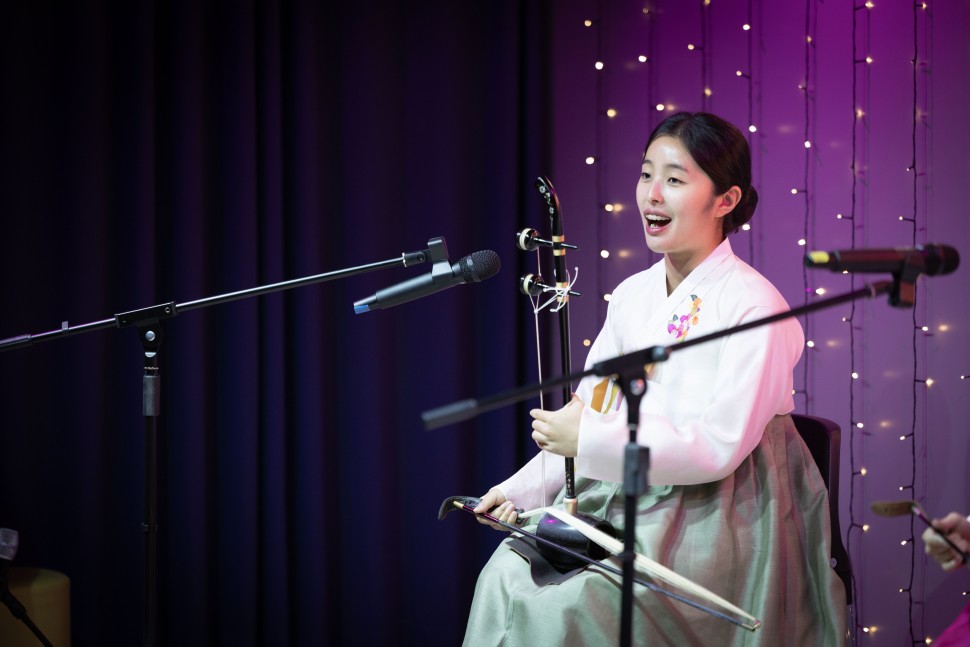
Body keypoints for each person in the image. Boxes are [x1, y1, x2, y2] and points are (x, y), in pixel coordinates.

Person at [463, 112, 848, 645]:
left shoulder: (756, 307)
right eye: (647, 174)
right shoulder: (632, 295)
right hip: (626, 492)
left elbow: (718, 449)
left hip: (720, 510)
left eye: (674, 179)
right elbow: (589, 410)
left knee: (569, 606)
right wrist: (516, 491)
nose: (652, 194)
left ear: (726, 200)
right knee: (506, 573)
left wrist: (589, 439)